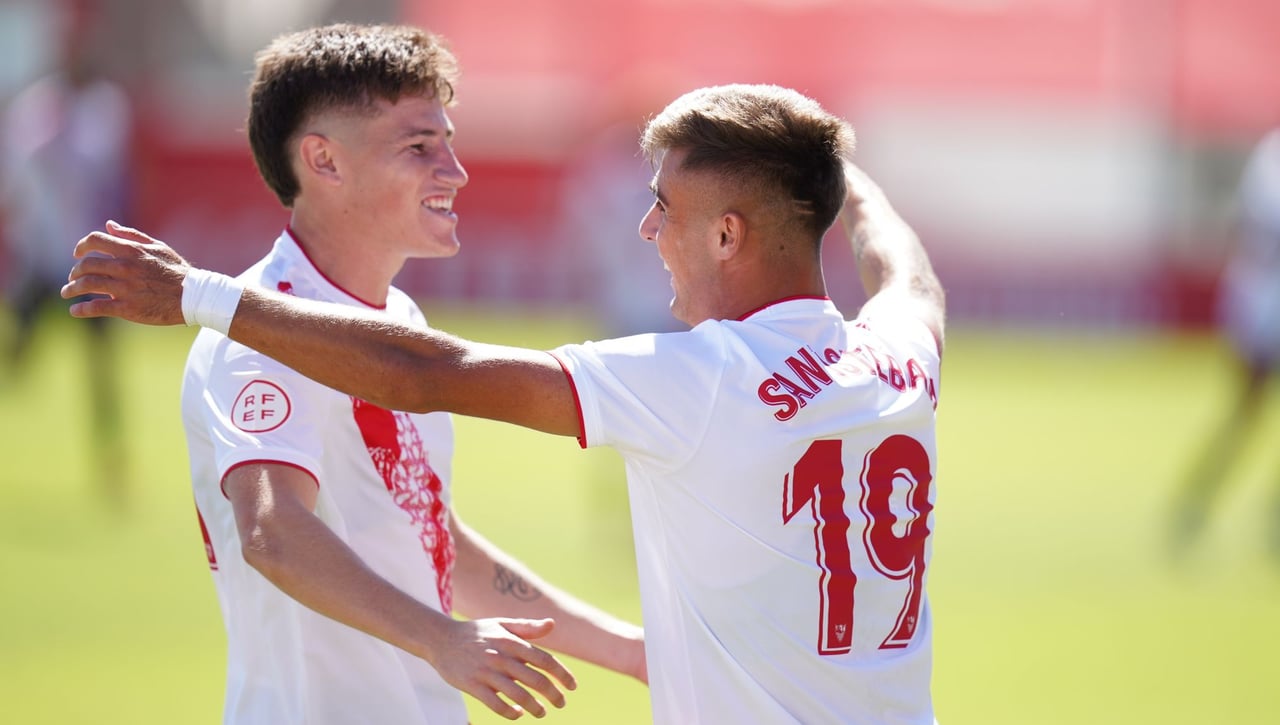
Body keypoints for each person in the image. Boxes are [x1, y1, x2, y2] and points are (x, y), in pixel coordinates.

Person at [65, 83, 946, 723]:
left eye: (663, 208)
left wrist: (196, 296)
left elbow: (429, 372)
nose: (646, 231)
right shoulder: (903, 348)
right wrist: (838, 174)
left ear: (727, 235)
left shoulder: (698, 377)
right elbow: (903, 264)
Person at [68, 24, 648, 724]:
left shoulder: (399, 317)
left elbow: (437, 540)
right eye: (419, 147)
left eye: (449, 141)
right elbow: (274, 532)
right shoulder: (259, 334)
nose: (455, 171)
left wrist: (632, 653)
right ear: (324, 161)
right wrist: (445, 638)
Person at [1, 0, 130, 499]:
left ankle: (111, 464)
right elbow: (18, 178)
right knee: (16, 354)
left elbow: (100, 165)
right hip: (42, 255)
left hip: (87, 260)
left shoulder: (102, 106)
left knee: (100, 369)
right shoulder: (35, 106)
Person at [1171, 127, 1280, 557]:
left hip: (1260, 300)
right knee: (1245, 417)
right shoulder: (1271, 160)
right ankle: (1195, 502)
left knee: (1243, 418)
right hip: (1265, 306)